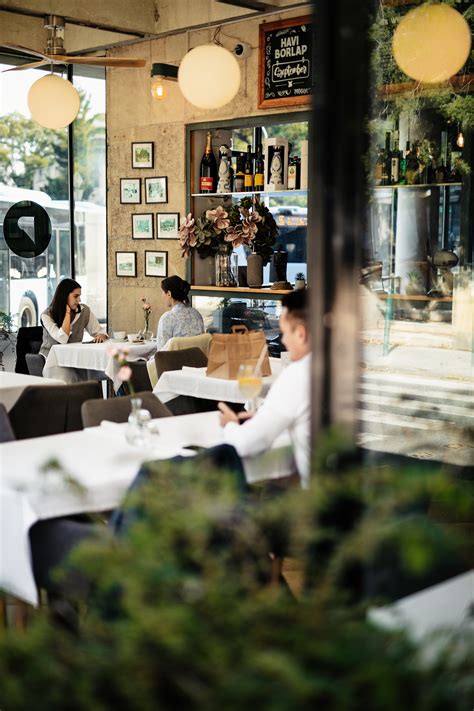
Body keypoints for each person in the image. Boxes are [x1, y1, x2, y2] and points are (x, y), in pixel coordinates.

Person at [218, 288, 311, 488]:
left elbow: (246, 444)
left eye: (285, 333)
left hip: (317, 501)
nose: (284, 340)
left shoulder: (298, 374)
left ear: (301, 334)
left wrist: (230, 425)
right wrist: (264, 417)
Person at [40, 278, 108, 363]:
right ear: (64, 296)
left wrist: (102, 335)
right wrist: (67, 313)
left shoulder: (84, 310)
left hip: (74, 358)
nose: (79, 300)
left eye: (79, 296)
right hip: (52, 360)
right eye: (75, 296)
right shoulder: (46, 315)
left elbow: (99, 331)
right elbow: (63, 339)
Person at [156, 276, 204, 350]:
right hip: (197, 360)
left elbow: (161, 352)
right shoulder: (196, 314)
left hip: (174, 361)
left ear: (169, 294)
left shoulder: (167, 318)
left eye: (162, 292)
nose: (162, 296)